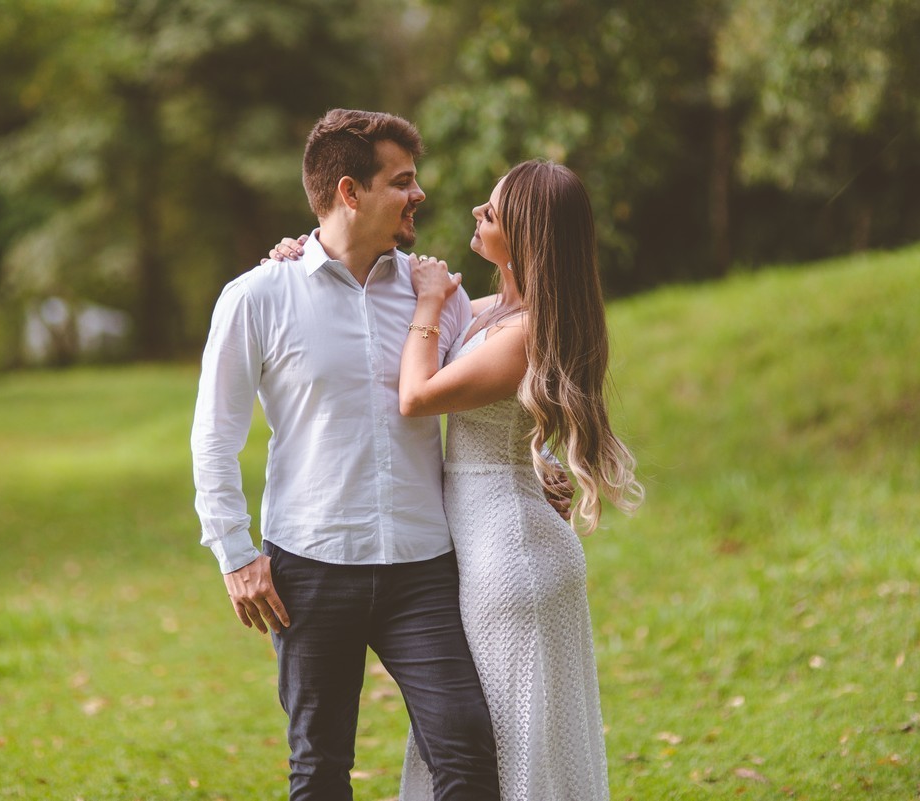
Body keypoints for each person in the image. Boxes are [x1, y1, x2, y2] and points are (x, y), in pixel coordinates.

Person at [268, 159, 643, 800]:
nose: (475, 212)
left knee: (505, 741)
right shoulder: (495, 310)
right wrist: (311, 253)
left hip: (508, 556)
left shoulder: (526, 331)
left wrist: (429, 299)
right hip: (481, 540)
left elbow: (415, 395)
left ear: (526, 235)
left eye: (491, 212)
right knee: (472, 738)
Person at [191, 109, 502, 801]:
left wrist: (540, 461)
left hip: (422, 566)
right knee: (321, 768)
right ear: (349, 193)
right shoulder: (259, 296)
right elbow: (214, 433)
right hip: (310, 565)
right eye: (403, 181)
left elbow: (488, 386)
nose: (419, 195)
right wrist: (236, 554)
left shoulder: (436, 295)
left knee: (467, 751)